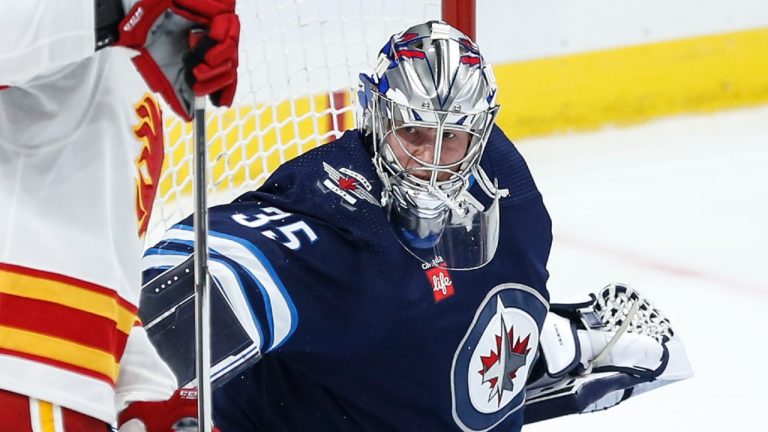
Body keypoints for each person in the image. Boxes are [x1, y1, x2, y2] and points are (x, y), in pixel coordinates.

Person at [125, 20, 691, 431]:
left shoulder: (508, 186)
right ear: (376, 117)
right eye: (413, 133)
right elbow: (217, 267)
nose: (432, 158)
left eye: (454, 137)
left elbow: (435, 329)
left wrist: (538, 353)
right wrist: (123, 370)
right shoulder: (336, 220)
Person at [0, 0, 239, 430]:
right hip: (21, 372)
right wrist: (120, 10)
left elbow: (96, 266)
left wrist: (145, 395)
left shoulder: (133, 74)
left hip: (62, 389)